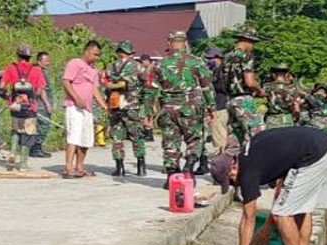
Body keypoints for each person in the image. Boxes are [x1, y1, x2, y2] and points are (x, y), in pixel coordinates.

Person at [211, 126, 327, 245]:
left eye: (231, 179)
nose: (234, 183)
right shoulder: (251, 150)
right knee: (301, 211)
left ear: (233, 167)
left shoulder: (247, 170)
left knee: (282, 214)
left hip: (315, 155)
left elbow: (248, 218)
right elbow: (285, 177)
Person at [145, 31, 214, 186]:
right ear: (185, 43)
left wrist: (147, 112)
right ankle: (189, 169)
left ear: (169, 43)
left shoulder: (159, 64)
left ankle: (171, 176)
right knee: (194, 139)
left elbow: (151, 90)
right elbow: (207, 87)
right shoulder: (197, 62)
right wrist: (211, 107)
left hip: (168, 109)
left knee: (171, 141)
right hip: (191, 107)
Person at [103, 40, 148, 177]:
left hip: (115, 105)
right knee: (136, 136)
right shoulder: (138, 67)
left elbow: (106, 87)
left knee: (117, 137)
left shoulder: (110, 67)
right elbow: (147, 83)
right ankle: (141, 167)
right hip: (132, 106)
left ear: (118, 52)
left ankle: (120, 167)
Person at [62, 40, 107, 179]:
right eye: (95, 54)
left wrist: (103, 105)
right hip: (74, 106)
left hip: (87, 109)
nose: (96, 57)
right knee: (74, 137)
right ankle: (69, 168)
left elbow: (94, 89)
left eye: (98, 55)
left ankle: (80, 167)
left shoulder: (93, 69)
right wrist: (76, 98)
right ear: (87, 51)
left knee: (86, 139)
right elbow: (66, 82)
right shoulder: (74, 63)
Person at [0, 44, 48, 170]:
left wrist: (7, 97)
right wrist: (32, 99)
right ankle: (23, 163)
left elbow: (2, 86)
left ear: (18, 55)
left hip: (15, 106)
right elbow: (39, 89)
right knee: (28, 133)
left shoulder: (11, 68)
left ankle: (12, 153)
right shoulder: (36, 70)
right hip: (30, 108)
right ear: (30, 57)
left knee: (15, 130)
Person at [220, 25, 264, 154]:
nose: (253, 46)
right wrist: (259, 89)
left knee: (234, 136)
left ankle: (230, 165)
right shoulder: (246, 56)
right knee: (257, 132)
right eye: (253, 43)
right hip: (243, 99)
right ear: (247, 41)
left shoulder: (226, 56)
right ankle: (255, 164)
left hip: (230, 100)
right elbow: (249, 82)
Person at [205, 47, 229, 158]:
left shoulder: (222, 71)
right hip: (217, 106)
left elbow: (223, 88)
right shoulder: (215, 71)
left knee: (220, 136)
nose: (208, 60)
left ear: (218, 58)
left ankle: (222, 159)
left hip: (221, 106)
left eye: (211, 58)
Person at [262, 65, 301, 129]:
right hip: (287, 119)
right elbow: (296, 106)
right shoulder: (292, 88)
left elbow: (263, 103)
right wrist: (296, 117)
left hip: (271, 119)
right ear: (287, 74)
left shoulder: (267, 87)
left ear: (273, 74)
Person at [33, 51, 55, 158]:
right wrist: (47, 104)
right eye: (45, 61)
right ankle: (36, 148)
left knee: (40, 126)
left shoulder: (42, 71)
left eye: (48, 60)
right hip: (41, 105)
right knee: (44, 125)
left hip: (42, 104)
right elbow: (41, 90)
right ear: (39, 61)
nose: (48, 63)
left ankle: (37, 147)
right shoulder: (38, 72)